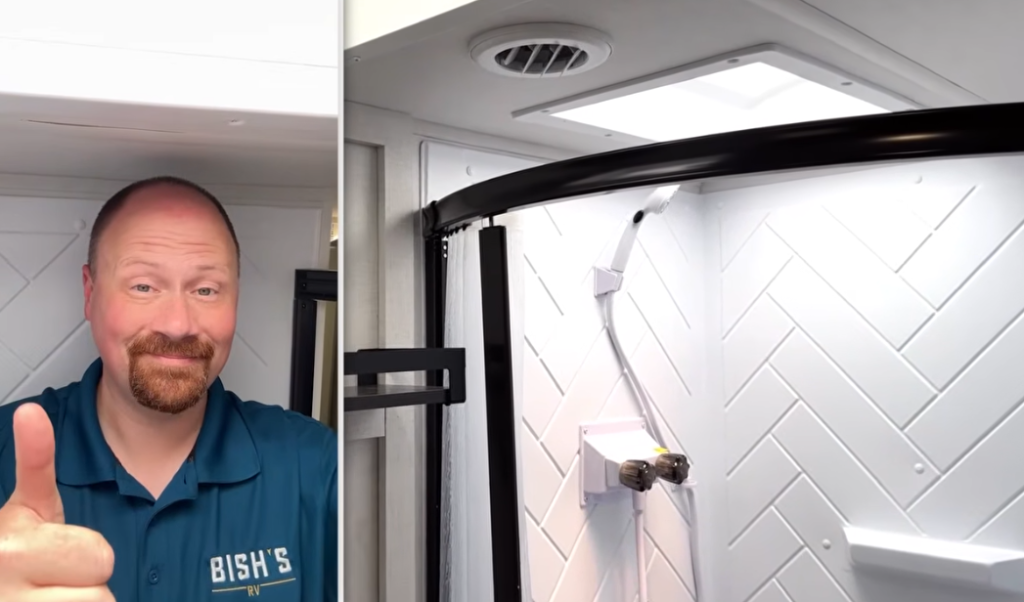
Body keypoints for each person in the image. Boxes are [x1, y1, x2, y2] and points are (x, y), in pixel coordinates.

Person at [0, 177, 338, 601]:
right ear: (90, 293)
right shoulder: (3, 453)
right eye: (143, 286)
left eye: (206, 289)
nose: (177, 324)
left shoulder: (316, 466)